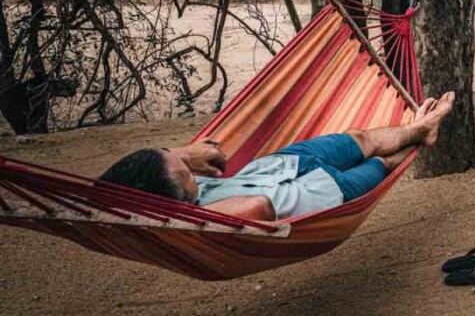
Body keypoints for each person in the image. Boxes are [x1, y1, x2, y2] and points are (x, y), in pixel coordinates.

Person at [98, 93, 455, 222]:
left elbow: (212, 152)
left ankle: (422, 126)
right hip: (319, 193)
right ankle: (421, 135)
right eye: (186, 178)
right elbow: (260, 208)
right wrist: (197, 207)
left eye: (175, 160)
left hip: (282, 164)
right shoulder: (199, 220)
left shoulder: (168, 176)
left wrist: (180, 156)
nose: (192, 172)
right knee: (382, 164)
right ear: (176, 203)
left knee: (362, 137)